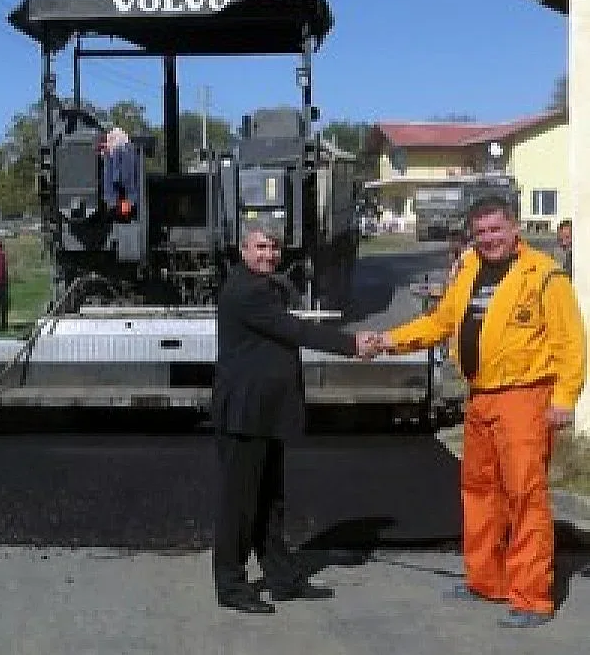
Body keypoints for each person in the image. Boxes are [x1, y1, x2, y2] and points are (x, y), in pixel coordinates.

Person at [361, 195, 586, 628]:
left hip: (525, 397)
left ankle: (532, 596)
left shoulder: (544, 276)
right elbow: (441, 323)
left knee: (525, 496)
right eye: (481, 233)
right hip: (480, 397)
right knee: (480, 491)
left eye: (496, 230)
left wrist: (564, 399)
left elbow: (571, 343)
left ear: (514, 227)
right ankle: (485, 580)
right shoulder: (468, 271)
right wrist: (390, 341)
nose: (489, 239)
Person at [212, 216, 374, 614]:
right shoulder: (245, 292)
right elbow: (294, 331)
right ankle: (230, 586)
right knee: (240, 505)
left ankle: (281, 578)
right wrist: (352, 343)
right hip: (244, 413)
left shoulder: (265, 286)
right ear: (243, 250)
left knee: (271, 500)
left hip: (266, 411)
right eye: (260, 248)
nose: (269, 255)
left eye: (274, 248)